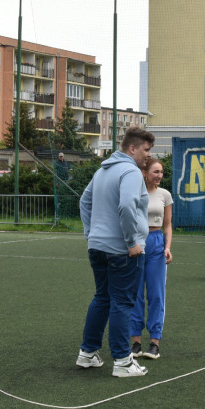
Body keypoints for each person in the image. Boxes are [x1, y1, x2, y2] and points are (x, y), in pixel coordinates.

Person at [76, 126, 154, 377]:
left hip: (97, 247)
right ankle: (122, 361)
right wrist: (132, 241)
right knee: (122, 302)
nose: (148, 155)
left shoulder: (102, 170)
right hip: (122, 250)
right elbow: (127, 206)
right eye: (145, 150)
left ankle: (87, 354)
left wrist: (91, 233)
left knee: (102, 298)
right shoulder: (130, 170)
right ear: (132, 148)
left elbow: (84, 201)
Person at [130, 157, 172, 360]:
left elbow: (168, 225)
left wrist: (167, 247)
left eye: (161, 172)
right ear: (145, 173)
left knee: (156, 294)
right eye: (156, 172)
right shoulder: (135, 193)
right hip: (138, 242)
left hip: (156, 243)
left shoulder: (165, 195)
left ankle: (155, 342)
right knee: (136, 294)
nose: (159, 176)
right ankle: (135, 342)